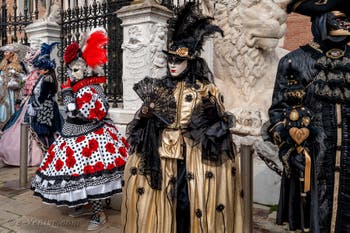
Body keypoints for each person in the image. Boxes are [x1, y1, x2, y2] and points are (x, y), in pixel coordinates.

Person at [121, 3, 243, 233]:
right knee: (161, 203)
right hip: (161, 156)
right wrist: (147, 115)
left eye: (178, 60)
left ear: (191, 61)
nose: (173, 65)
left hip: (193, 158)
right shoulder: (159, 88)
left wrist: (209, 116)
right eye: (170, 60)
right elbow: (141, 126)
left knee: (188, 203)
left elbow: (219, 127)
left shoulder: (205, 90)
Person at [31, 28, 128, 231]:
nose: (72, 74)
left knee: (92, 176)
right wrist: (69, 97)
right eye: (71, 69)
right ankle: (83, 203)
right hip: (72, 135)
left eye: (76, 69)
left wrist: (70, 101)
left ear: (87, 69)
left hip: (93, 136)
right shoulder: (78, 87)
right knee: (75, 174)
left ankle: (98, 213)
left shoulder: (93, 88)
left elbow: (91, 112)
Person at [268, 0, 350, 232]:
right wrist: (289, 150)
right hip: (313, 163)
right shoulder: (293, 61)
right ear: (321, 21)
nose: (345, 23)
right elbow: (278, 112)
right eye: (339, 18)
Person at [0, 48, 43, 166]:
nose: (5, 54)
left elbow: (25, 85)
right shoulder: (29, 74)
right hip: (9, 97)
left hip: (24, 100)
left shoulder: (35, 74)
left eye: (30, 63)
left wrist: (17, 80)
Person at [26, 42, 62, 148]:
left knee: (44, 131)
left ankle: (49, 151)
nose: (39, 70)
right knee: (47, 132)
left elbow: (43, 96)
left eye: (41, 68)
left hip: (46, 108)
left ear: (46, 69)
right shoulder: (46, 77)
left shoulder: (47, 79)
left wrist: (34, 106)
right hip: (46, 106)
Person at [0, 44, 26, 129]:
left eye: (6, 52)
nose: (4, 54)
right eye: (5, 52)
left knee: (9, 109)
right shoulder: (3, 65)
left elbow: (23, 80)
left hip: (11, 93)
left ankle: (8, 127)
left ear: (12, 53)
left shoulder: (18, 66)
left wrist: (15, 77)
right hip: (2, 92)